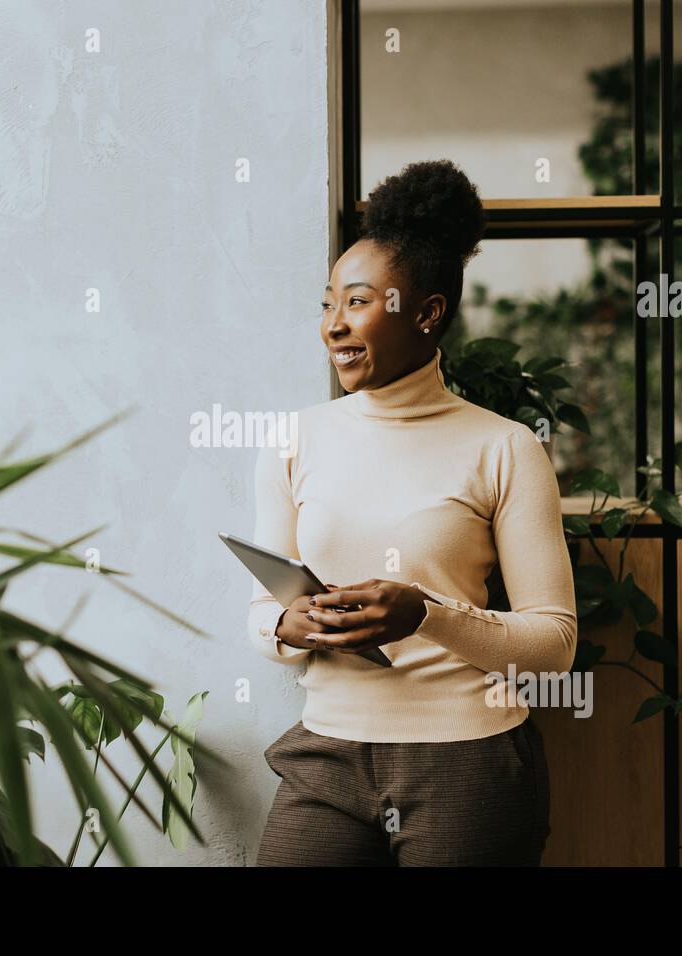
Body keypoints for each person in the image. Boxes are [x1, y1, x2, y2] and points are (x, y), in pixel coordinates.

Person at [248, 159, 577, 866]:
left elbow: (554, 645)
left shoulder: (505, 448)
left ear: (426, 313)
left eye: (358, 303)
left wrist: (426, 614)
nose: (333, 326)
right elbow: (257, 612)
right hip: (328, 756)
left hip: (470, 763)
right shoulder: (294, 440)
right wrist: (286, 622)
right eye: (328, 303)